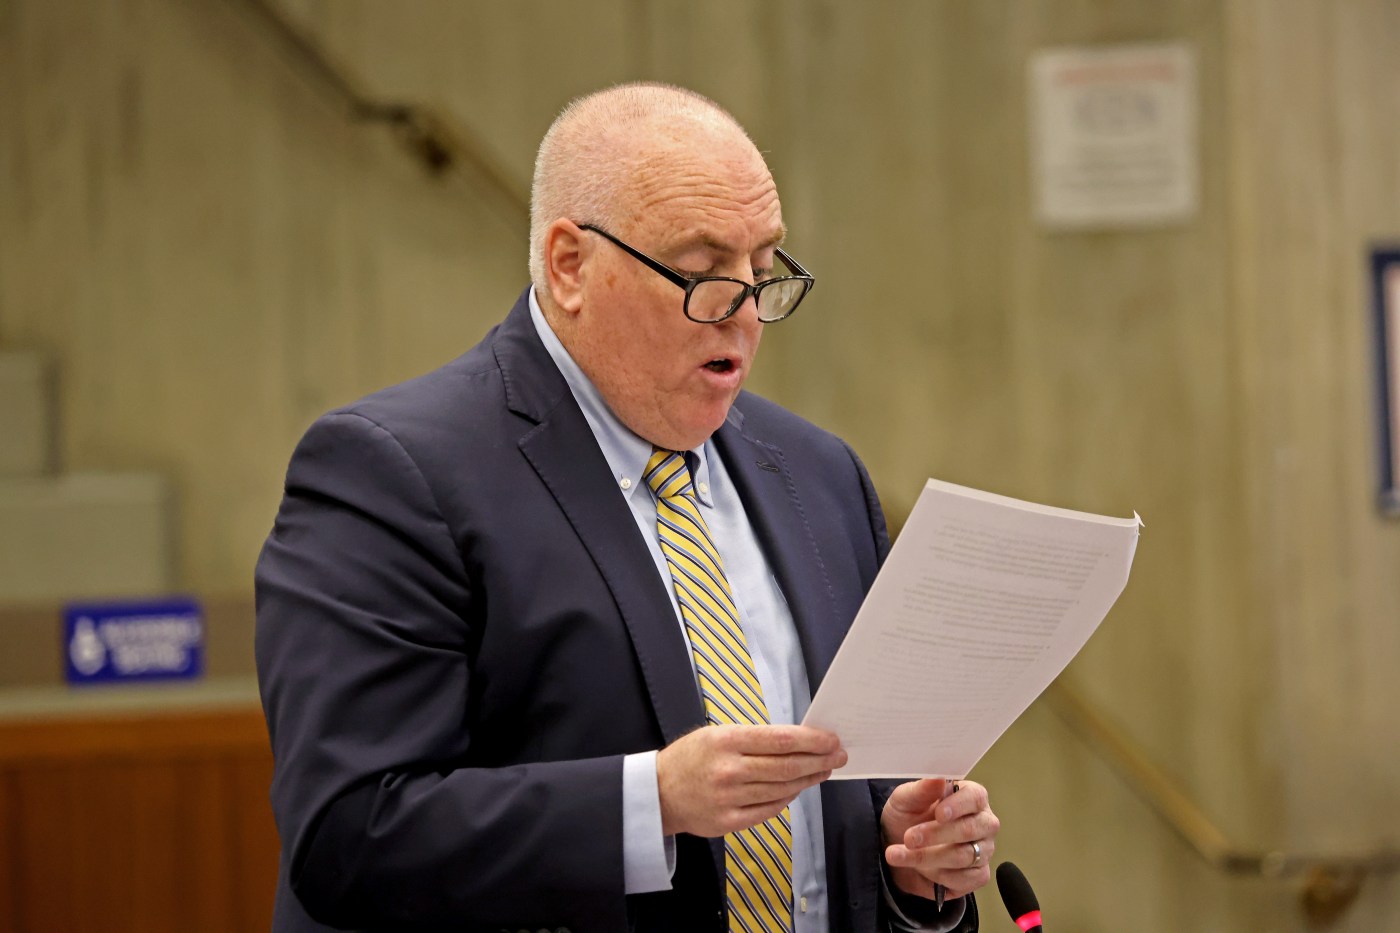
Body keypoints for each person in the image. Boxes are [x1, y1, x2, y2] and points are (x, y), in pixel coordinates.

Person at [256, 82, 999, 933]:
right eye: (703, 271)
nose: (744, 315)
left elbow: (848, 818)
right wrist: (652, 802)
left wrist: (907, 864)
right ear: (571, 265)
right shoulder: (391, 473)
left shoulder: (820, 475)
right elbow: (349, 835)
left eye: (763, 270)